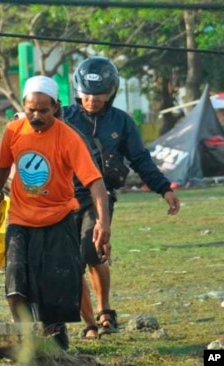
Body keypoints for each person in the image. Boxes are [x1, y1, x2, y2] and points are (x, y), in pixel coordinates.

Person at [0, 75, 112, 350]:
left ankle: (57, 342)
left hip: (58, 220)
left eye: (44, 110)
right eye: (31, 109)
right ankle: (27, 341)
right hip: (20, 220)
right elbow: (0, 167)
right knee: (15, 286)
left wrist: (103, 221)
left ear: (55, 108)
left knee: (55, 290)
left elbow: (95, 181)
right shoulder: (13, 131)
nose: (36, 115)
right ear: (23, 105)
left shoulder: (68, 137)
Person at [63, 57, 181, 339]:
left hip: (99, 197)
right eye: (87, 94)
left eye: (99, 95)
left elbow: (140, 159)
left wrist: (164, 189)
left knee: (92, 251)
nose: (92, 100)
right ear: (78, 91)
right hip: (63, 198)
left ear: (111, 93)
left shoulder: (121, 122)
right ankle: (90, 323)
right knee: (71, 262)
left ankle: (106, 311)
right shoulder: (62, 117)